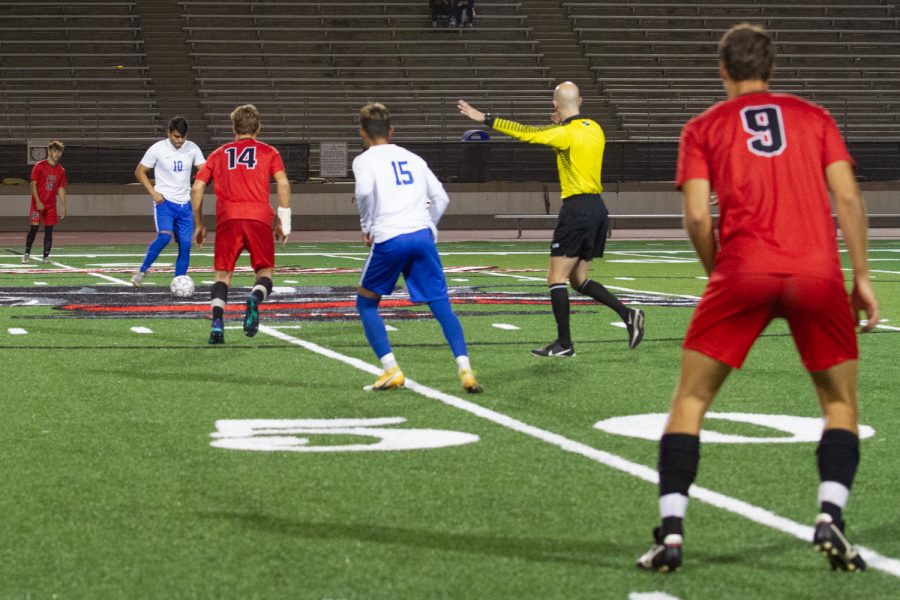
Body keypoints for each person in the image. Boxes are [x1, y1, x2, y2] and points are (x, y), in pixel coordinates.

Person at [636, 23, 880, 573]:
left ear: (723, 69)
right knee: (838, 404)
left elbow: (698, 215)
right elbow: (847, 195)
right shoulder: (814, 118)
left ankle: (671, 535)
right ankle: (830, 517)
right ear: (771, 69)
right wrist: (861, 274)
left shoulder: (703, 127)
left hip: (743, 269)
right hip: (816, 271)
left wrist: (717, 270)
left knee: (690, 401)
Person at [458, 83, 644, 357]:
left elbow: (527, 133)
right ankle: (628, 314)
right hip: (597, 209)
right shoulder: (595, 128)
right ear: (580, 100)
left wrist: (485, 118)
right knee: (579, 280)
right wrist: (562, 124)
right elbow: (574, 140)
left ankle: (564, 344)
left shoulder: (563, 133)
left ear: (555, 106)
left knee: (555, 277)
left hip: (577, 209)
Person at [352, 102, 482, 394]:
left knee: (366, 303)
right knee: (441, 304)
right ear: (392, 130)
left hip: (390, 237)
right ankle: (465, 369)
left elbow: (362, 192)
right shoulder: (413, 157)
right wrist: (429, 225)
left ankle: (391, 370)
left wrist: (366, 226)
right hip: (422, 236)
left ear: (362, 132)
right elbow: (442, 198)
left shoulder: (364, 160)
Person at [190, 104, 292, 345]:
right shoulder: (269, 152)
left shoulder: (218, 154)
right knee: (264, 273)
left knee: (222, 275)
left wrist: (199, 224)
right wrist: (284, 222)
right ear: (258, 127)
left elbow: (196, 188)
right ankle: (255, 298)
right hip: (259, 218)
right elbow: (284, 184)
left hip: (229, 218)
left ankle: (217, 322)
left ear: (233, 127)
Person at [131, 116, 206, 287]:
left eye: (182, 137)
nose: (179, 140)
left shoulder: (192, 148)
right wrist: (153, 193)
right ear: (169, 133)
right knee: (164, 237)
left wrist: (199, 185)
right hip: (165, 202)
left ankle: (179, 280)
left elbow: (205, 170)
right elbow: (140, 171)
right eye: (176, 136)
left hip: (185, 205)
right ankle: (141, 271)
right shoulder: (158, 148)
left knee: (186, 244)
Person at [24, 140, 67, 264]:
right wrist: (37, 201)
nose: (57, 154)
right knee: (34, 227)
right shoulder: (39, 166)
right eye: (54, 151)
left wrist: (63, 206)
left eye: (59, 151)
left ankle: (46, 256)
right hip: (37, 203)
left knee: (49, 230)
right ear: (49, 152)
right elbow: (33, 184)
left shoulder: (61, 170)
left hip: (51, 205)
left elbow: (61, 188)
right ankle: (27, 252)